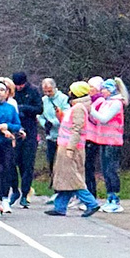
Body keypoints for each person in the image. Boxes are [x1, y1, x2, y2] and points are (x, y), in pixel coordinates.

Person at [46, 81, 97, 216]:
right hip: (65, 145)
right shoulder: (75, 107)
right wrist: (60, 115)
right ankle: (60, 207)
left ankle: (91, 203)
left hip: (70, 147)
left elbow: (77, 129)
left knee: (73, 178)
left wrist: (70, 148)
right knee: (65, 178)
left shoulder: (79, 108)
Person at [86, 76, 126, 213]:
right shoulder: (106, 102)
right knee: (105, 171)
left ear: (111, 90)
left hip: (113, 141)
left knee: (111, 170)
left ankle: (115, 199)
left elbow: (104, 118)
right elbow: (97, 119)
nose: (102, 91)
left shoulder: (116, 103)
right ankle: (109, 198)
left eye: (104, 89)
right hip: (103, 140)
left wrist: (91, 109)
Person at [0, 78, 24, 214]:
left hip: (6, 144)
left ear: (7, 93)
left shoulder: (11, 108)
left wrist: (8, 126)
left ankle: (5, 198)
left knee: (6, 170)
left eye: (2, 90)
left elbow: (17, 125)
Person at [10, 72, 44, 204]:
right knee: (14, 161)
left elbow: (39, 109)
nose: (19, 88)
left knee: (28, 163)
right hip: (15, 131)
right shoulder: (12, 92)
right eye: (16, 85)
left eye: (21, 85)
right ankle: (15, 189)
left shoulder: (33, 91)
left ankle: (25, 193)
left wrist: (25, 108)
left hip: (30, 130)